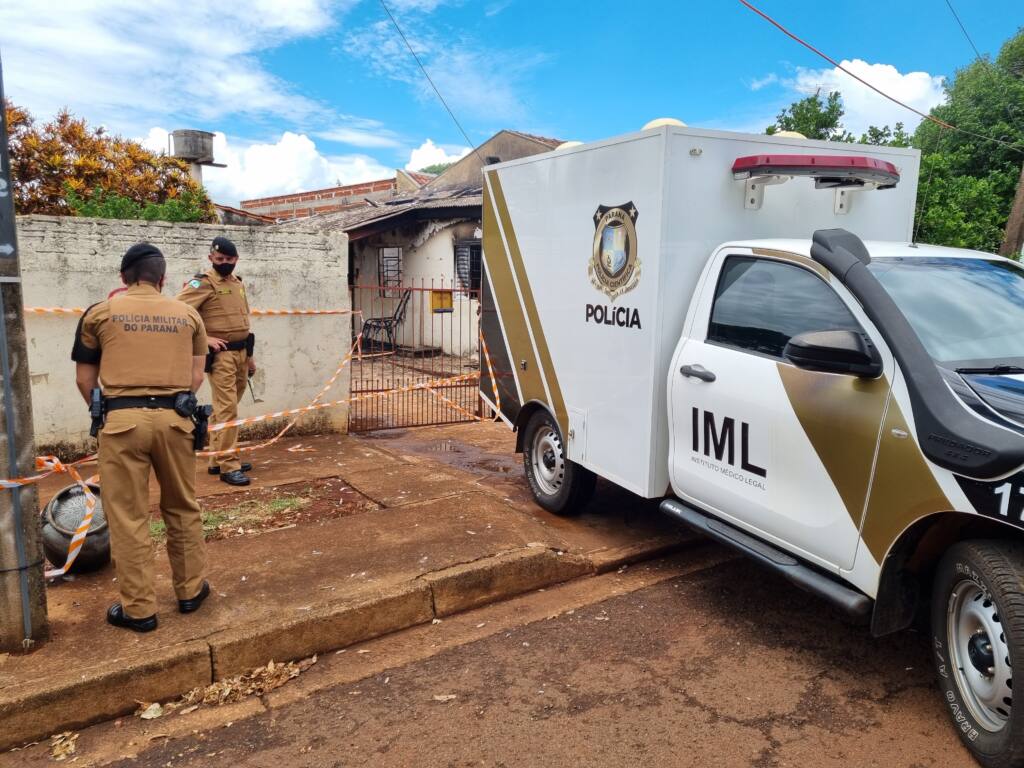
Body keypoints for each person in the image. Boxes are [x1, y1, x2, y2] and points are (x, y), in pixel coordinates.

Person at [71, 243, 211, 633]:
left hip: (121, 422)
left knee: (128, 517)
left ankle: (139, 610)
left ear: (123, 277)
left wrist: (111, 411)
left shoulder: (99, 313)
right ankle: (190, 592)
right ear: (162, 278)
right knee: (183, 507)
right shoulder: (188, 315)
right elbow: (196, 376)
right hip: (176, 420)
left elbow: (85, 379)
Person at [176, 236, 255, 486]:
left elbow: (243, 321)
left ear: (236, 260)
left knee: (226, 408)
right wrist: (205, 337)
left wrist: (250, 358)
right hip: (221, 356)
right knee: (227, 409)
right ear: (211, 258)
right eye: (220, 259)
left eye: (229, 259)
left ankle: (216, 459)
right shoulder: (202, 283)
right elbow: (177, 312)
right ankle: (228, 465)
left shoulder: (237, 283)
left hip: (242, 353)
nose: (225, 263)